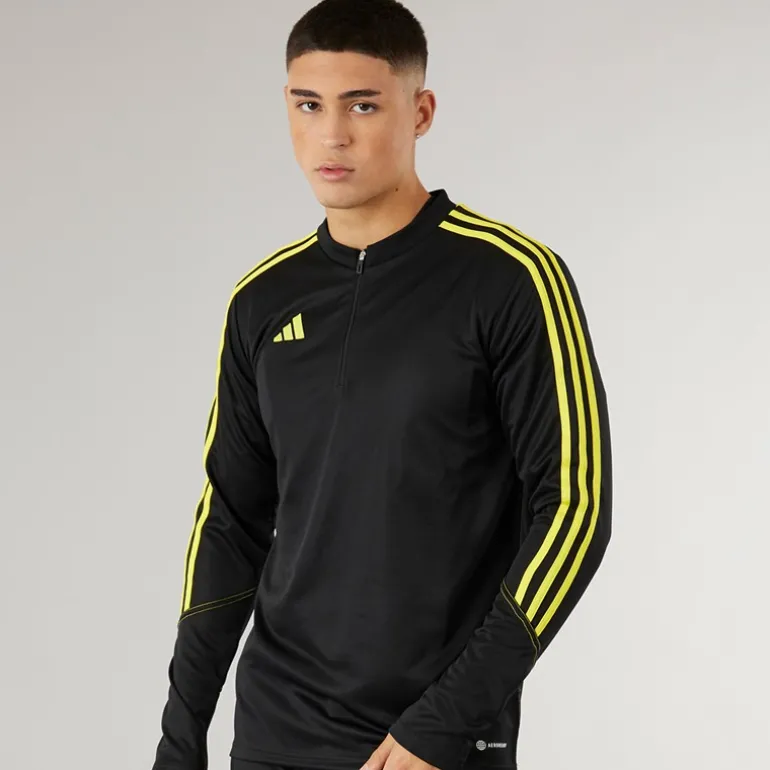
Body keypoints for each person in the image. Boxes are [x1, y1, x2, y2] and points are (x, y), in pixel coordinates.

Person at [150, 1, 613, 769]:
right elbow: (230, 521)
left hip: (432, 742)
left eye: (362, 105)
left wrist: (449, 720)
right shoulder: (262, 301)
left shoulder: (510, 279)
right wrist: (180, 738)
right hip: (273, 736)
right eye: (309, 105)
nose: (332, 135)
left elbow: (574, 508)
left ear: (420, 112)